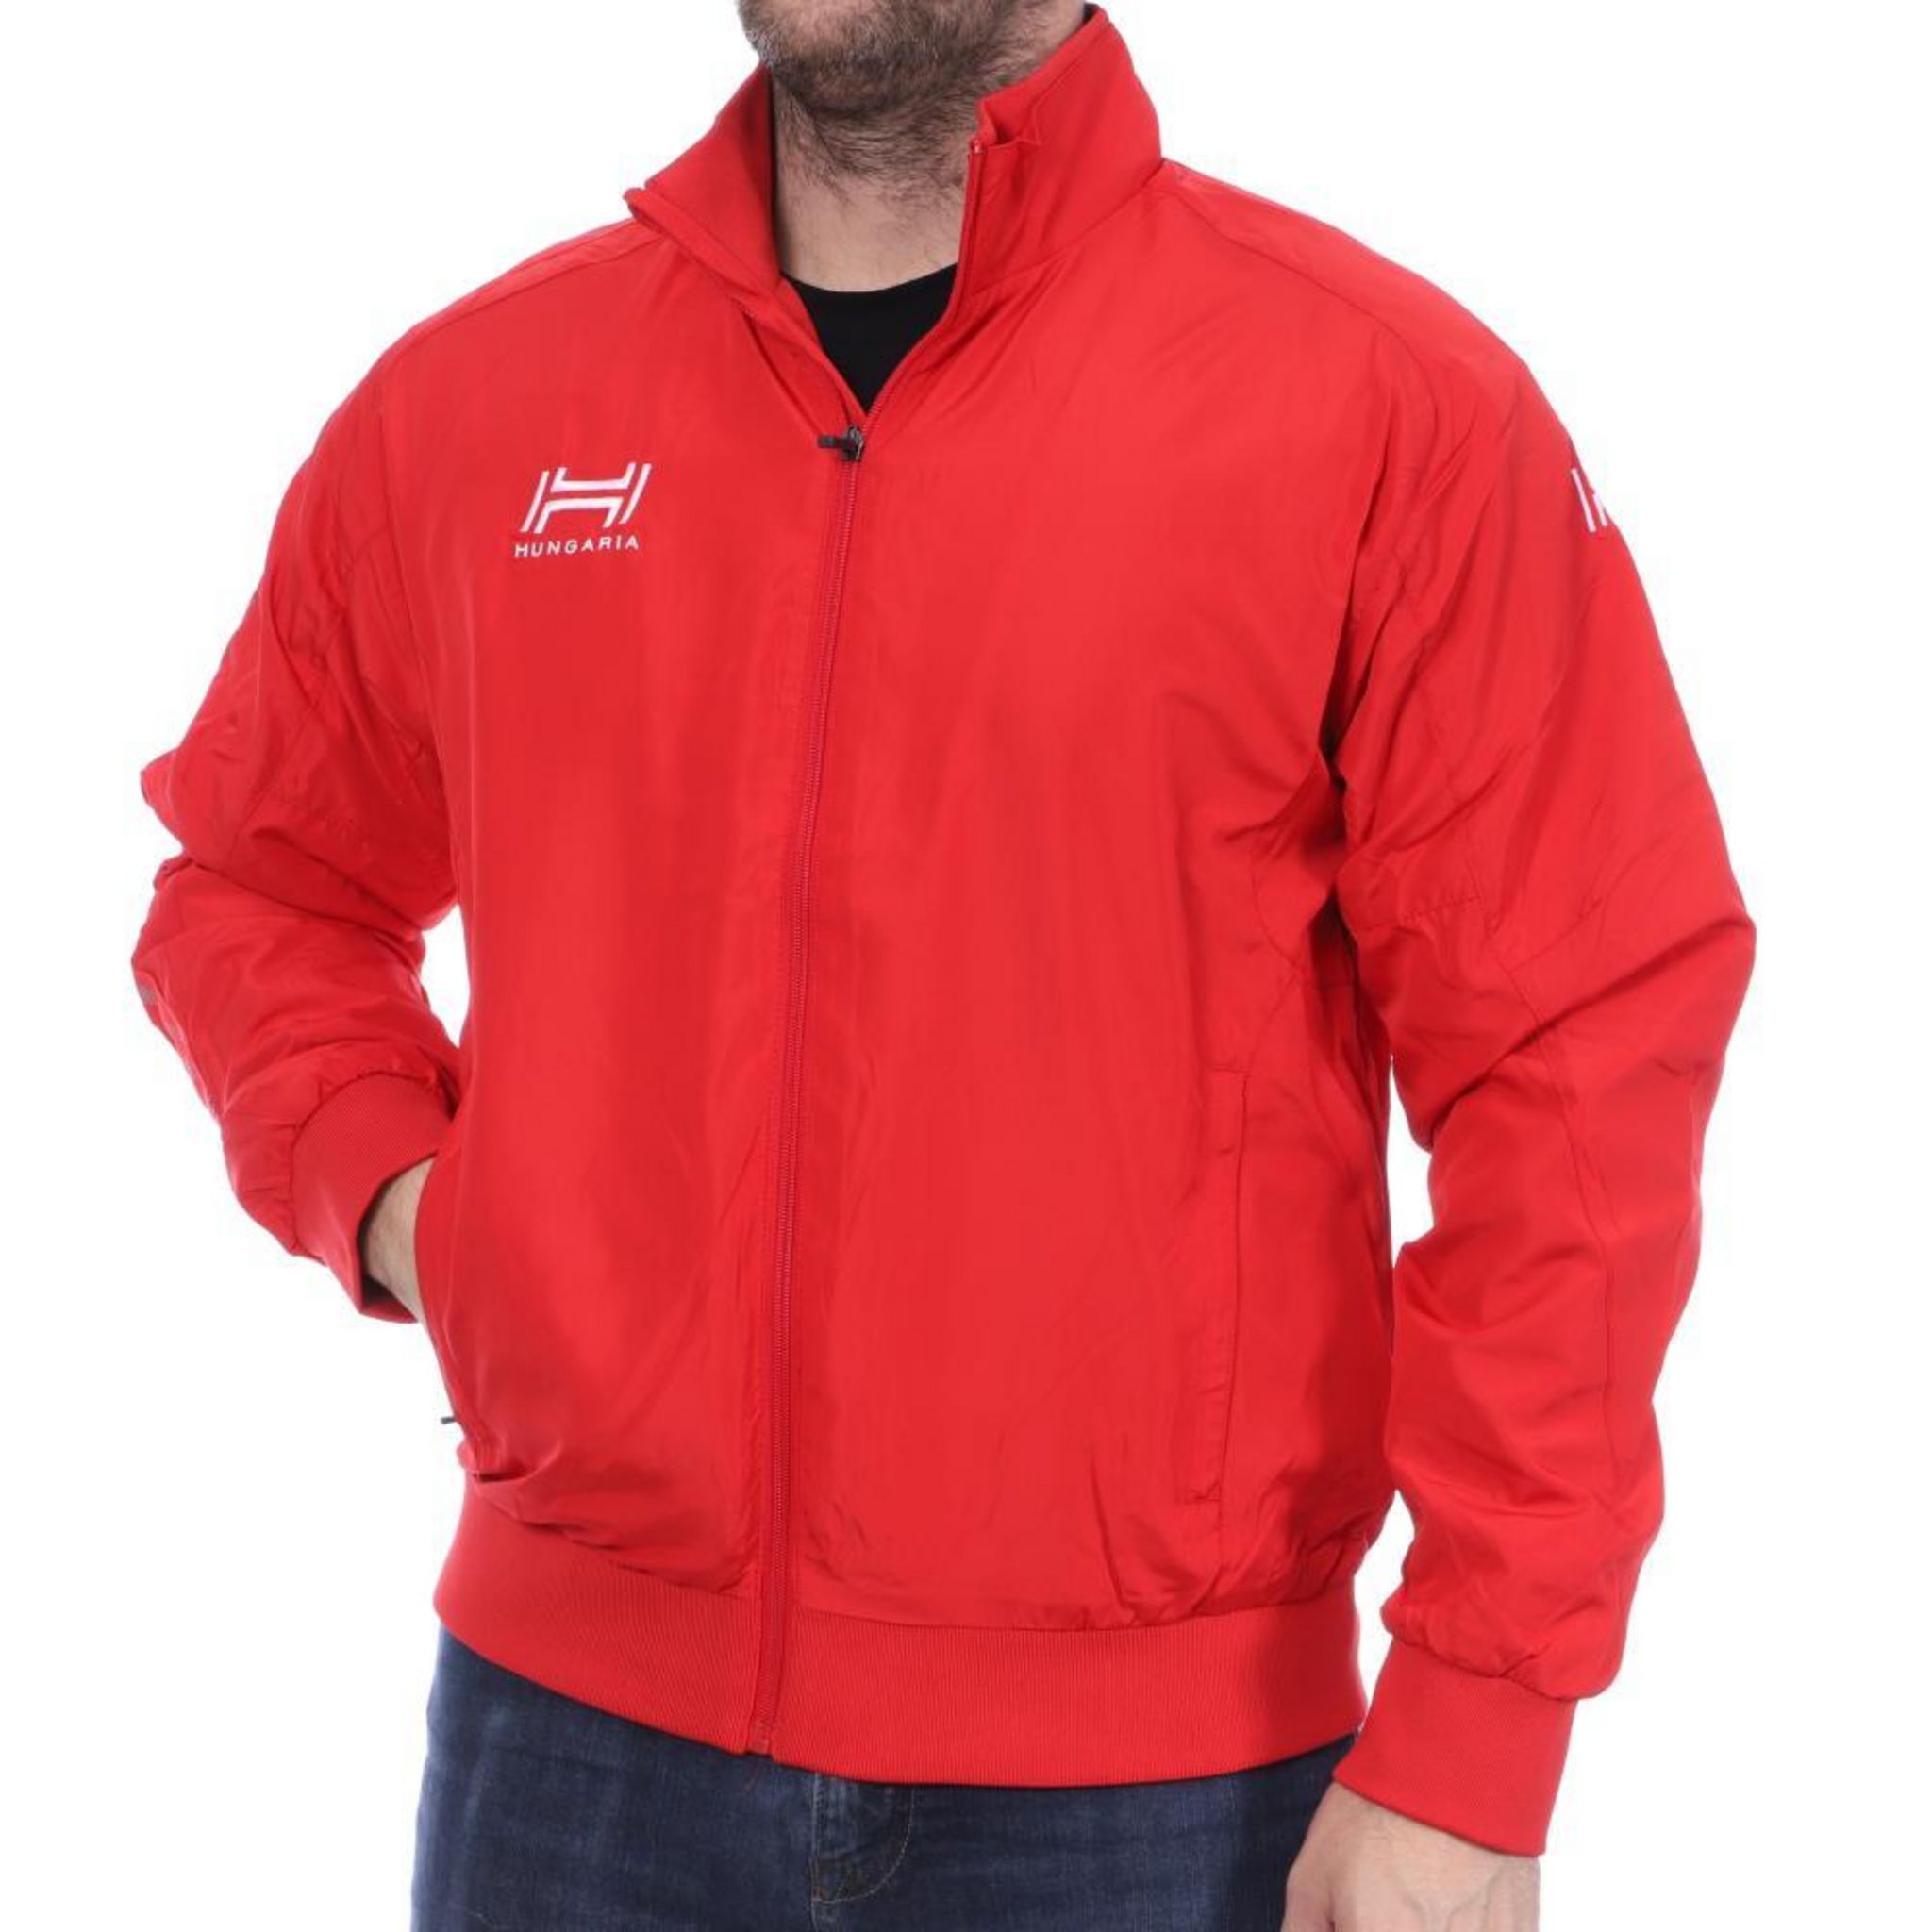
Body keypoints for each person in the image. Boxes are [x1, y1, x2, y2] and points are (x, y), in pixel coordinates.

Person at [129, 4, 1754, 1926]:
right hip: (571, 1754)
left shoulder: (1381, 405)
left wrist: (1474, 1740)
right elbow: (261, 881)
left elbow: (1574, 1057)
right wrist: (416, 1212)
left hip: (1157, 1798)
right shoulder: (480, 403)